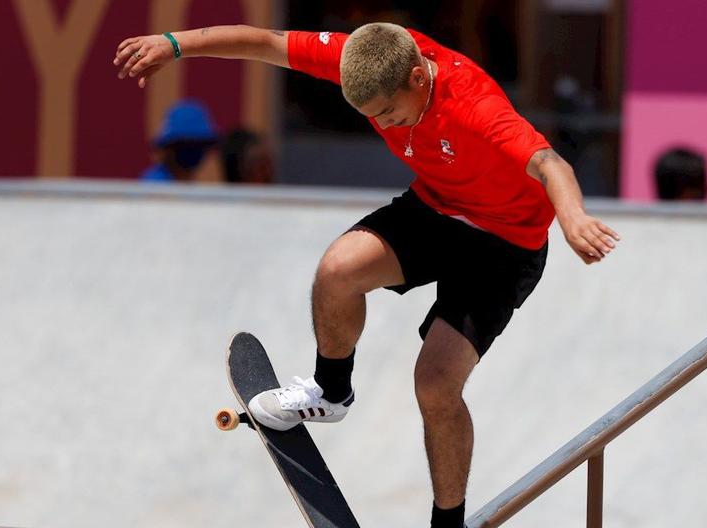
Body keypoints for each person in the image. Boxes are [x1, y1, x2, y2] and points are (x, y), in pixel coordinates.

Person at [114, 23, 620, 527]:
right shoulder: (364, 57)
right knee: (337, 270)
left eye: (388, 112)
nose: (386, 124)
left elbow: (551, 164)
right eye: (373, 116)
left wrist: (573, 217)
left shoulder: (476, 108)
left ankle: (448, 523)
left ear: (419, 79)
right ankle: (330, 391)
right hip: (438, 211)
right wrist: (174, 45)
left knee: (435, 385)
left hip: (505, 247)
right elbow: (265, 43)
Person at [141, 99, 219, 182]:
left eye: (199, 145)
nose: (193, 152)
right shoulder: (154, 186)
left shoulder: (182, 186)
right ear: (167, 149)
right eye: (185, 146)